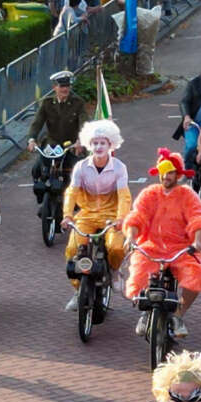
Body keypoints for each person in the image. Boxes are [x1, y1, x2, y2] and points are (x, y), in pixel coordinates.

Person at [124, 150, 201, 337]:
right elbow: (137, 216)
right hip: (151, 246)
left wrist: (197, 241)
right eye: (163, 172)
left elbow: (198, 218)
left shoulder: (187, 195)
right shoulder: (149, 193)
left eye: (170, 172)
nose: (166, 176)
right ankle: (145, 312)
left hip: (181, 248)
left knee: (196, 274)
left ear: (178, 174)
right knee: (138, 274)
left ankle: (178, 314)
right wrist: (131, 237)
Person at [60, 118, 131, 309]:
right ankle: (78, 291)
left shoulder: (119, 167)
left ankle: (115, 271)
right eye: (95, 143)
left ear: (110, 145)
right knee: (73, 249)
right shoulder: (81, 166)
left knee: (116, 247)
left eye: (103, 143)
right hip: (86, 215)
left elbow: (124, 196)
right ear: (89, 145)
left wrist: (121, 218)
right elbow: (71, 192)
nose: (99, 147)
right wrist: (67, 215)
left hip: (111, 216)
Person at [26, 71, 86, 152]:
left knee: (78, 159)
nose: (65, 89)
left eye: (67, 86)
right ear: (54, 87)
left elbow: (84, 123)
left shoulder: (78, 103)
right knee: (43, 159)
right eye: (62, 86)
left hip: (73, 144)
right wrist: (31, 140)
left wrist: (81, 140)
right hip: (52, 144)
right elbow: (37, 123)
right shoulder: (47, 103)